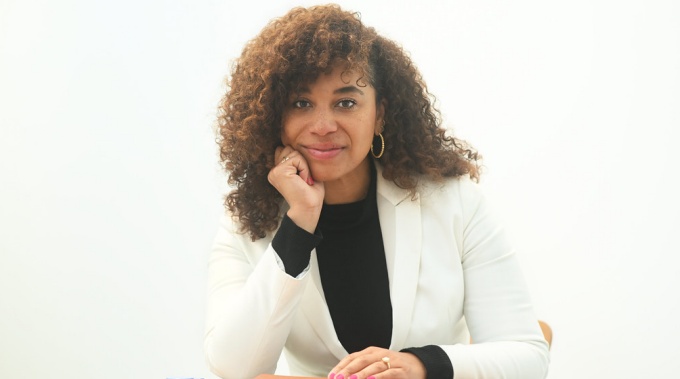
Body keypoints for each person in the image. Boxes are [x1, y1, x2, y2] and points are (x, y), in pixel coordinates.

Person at [205, 4, 549, 379]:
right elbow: (233, 370)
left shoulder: (454, 201)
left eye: (346, 102)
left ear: (379, 115)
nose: (323, 125)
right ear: (275, 117)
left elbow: (528, 356)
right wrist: (299, 222)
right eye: (301, 103)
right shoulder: (248, 223)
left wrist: (421, 365)